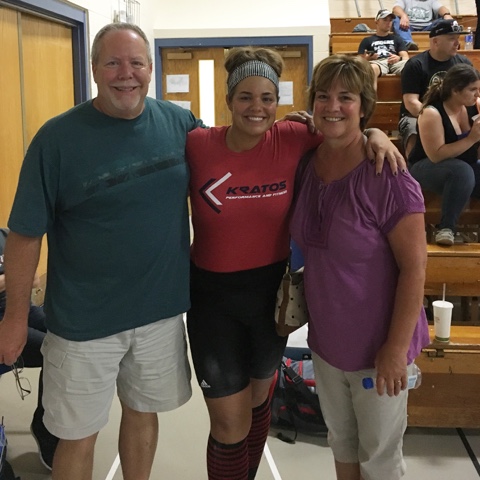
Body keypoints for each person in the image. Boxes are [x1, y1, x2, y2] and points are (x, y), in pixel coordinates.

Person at [185, 47, 404, 480]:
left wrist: (377, 134)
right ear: (229, 99)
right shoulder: (197, 144)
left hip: (270, 298)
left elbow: (346, 129)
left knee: (257, 405)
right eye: (245, 96)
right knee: (228, 423)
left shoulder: (295, 136)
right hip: (212, 301)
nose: (257, 107)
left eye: (267, 98)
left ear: (278, 102)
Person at [0, 23, 202, 480]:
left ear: (150, 69)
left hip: (158, 314)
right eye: (112, 63)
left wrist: (306, 131)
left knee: (142, 413)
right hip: (83, 324)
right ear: (93, 69)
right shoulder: (56, 140)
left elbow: (237, 155)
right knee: (77, 435)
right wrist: (15, 318)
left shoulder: (179, 123)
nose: (125, 74)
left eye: (136, 63)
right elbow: (25, 235)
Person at [290, 54, 430, 480]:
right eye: (323, 96)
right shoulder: (307, 162)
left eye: (346, 97)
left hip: (379, 349)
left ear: (364, 106)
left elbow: (415, 269)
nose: (333, 106)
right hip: (328, 343)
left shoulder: (387, 173)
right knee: (342, 445)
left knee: (380, 460)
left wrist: (394, 350)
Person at [0, 228, 59, 470]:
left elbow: (33, 279)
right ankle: (45, 431)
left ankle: (47, 422)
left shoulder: (5, 236)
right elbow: (24, 277)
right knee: (52, 353)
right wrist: (16, 277)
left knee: (64, 344)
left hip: (24, 309)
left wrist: (12, 280)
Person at [409, 64, 480, 245]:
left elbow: (473, 152)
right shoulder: (432, 113)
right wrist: (472, 138)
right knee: (462, 171)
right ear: (455, 90)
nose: (477, 94)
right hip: (426, 167)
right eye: (472, 89)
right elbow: (436, 155)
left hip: (462, 166)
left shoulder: (472, 107)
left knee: (467, 170)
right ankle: (446, 228)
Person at [399, 19, 471, 157]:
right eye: (451, 39)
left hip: (456, 113)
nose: (457, 43)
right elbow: (411, 103)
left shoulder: (464, 64)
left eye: (458, 38)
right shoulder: (415, 65)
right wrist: (438, 120)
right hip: (417, 115)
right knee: (413, 130)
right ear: (436, 41)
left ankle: (470, 161)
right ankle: (415, 167)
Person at [358, 9, 409, 90]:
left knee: (411, 66)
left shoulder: (397, 39)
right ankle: (370, 98)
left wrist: (399, 58)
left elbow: (406, 57)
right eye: (385, 20)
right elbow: (359, 61)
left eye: (390, 20)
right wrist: (368, 58)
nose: (388, 22)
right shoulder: (367, 40)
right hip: (378, 62)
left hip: (395, 62)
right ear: (377, 21)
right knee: (372, 69)